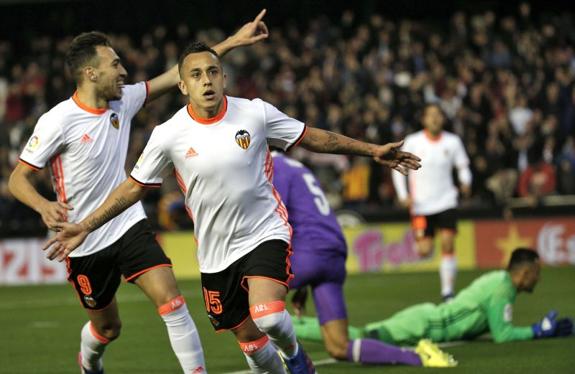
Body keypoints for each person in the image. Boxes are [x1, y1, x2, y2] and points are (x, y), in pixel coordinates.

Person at [42, 41, 421, 374]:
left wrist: (372, 151)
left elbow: (314, 137)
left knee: (269, 315)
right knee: (251, 345)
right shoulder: (168, 135)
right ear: (182, 85)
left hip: (265, 233)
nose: (206, 80)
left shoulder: (255, 113)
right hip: (215, 254)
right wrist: (86, 225)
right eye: (196, 75)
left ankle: (295, 356)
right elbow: (131, 189)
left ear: (223, 78)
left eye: (212, 72)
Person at [8, 12, 269, 374]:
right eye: (114, 64)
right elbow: (18, 179)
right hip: (82, 239)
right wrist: (43, 205)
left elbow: (179, 74)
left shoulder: (124, 101)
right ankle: (89, 360)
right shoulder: (58, 120)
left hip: (127, 223)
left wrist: (231, 42)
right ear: (91, 73)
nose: (123, 72)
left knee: (173, 301)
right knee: (108, 328)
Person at [272, 151, 457, 367]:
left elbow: (276, 218)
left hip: (309, 251)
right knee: (339, 346)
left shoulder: (273, 168)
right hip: (333, 253)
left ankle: (284, 364)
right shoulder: (297, 167)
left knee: (247, 296)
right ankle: (420, 356)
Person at [293, 248, 574, 346]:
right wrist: (536, 332)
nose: (539, 278)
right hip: (423, 325)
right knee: (353, 338)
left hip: (427, 321)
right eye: (537, 272)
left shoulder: (500, 283)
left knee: (356, 336)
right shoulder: (502, 290)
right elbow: (503, 335)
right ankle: (289, 326)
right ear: (525, 273)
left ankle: (291, 325)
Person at [392, 103, 472, 300]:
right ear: (424, 119)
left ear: (443, 118)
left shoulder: (453, 142)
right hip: (420, 204)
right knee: (425, 251)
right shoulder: (413, 141)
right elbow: (398, 168)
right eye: (431, 115)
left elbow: (463, 166)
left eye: (438, 115)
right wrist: (403, 195)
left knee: (447, 243)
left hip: (446, 201)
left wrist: (466, 181)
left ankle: (447, 292)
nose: (435, 118)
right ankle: (422, 241)